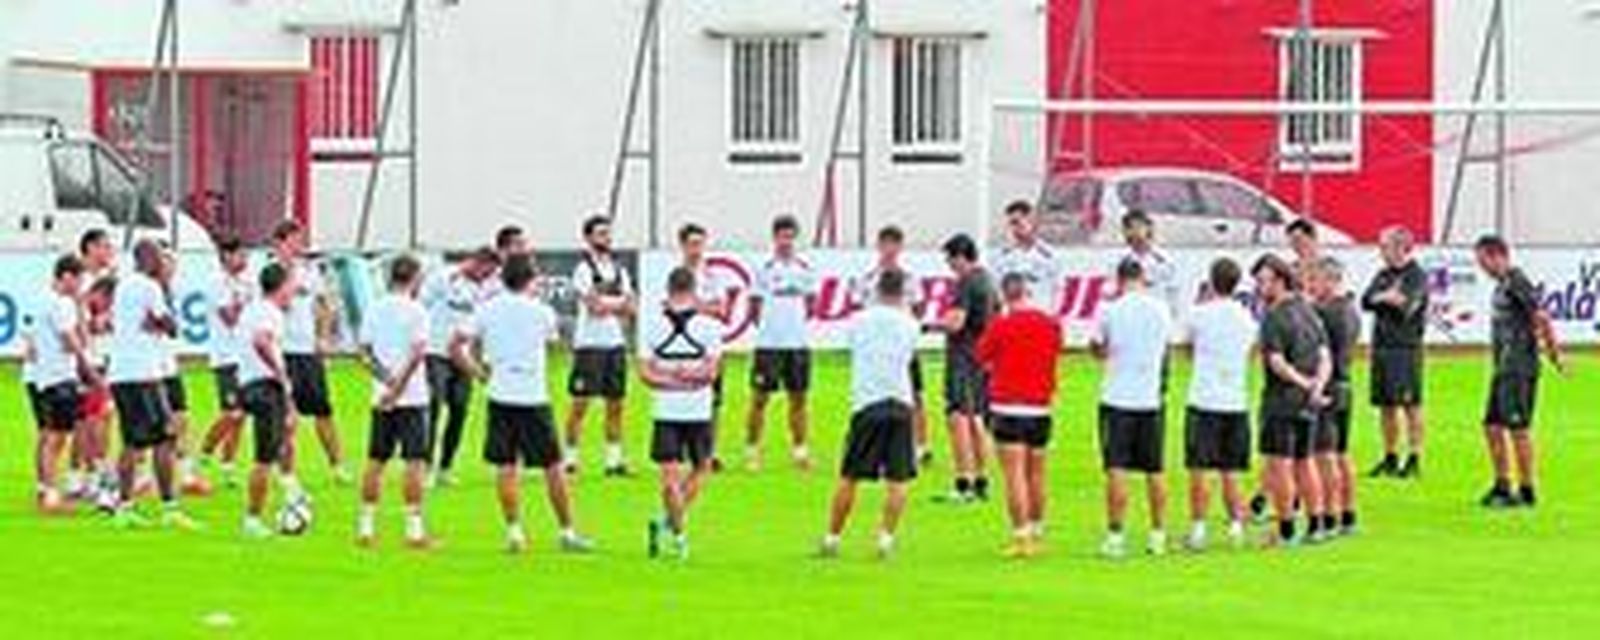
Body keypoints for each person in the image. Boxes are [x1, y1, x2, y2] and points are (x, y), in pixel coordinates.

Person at [451, 254, 593, 554]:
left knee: (506, 466)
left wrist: (478, 371)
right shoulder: (542, 312)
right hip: (532, 396)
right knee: (552, 467)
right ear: (531, 280)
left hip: (500, 394)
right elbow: (555, 347)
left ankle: (514, 532)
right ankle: (567, 532)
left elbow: (456, 344)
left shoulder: (487, 309)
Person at [819, 269, 922, 561]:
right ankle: (885, 539)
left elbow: (851, 349)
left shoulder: (858, 321)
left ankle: (832, 538)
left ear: (876, 290)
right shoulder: (910, 324)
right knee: (898, 478)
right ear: (903, 292)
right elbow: (910, 356)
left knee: (850, 475)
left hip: (867, 402)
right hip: (900, 402)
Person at [105, 240, 196, 529]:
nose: (163, 262)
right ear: (147, 259)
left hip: (122, 372)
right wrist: (161, 324)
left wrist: (155, 324)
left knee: (132, 442)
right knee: (166, 437)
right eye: (158, 256)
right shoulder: (149, 286)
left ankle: (125, 507)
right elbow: (171, 325)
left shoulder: (125, 285)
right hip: (143, 372)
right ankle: (169, 508)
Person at [640, 267, 725, 560]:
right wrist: (689, 378)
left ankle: (672, 528)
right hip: (698, 410)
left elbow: (645, 373)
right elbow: (710, 373)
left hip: (664, 410)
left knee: (669, 479)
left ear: (668, 289)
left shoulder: (650, 325)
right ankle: (674, 530)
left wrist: (669, 378)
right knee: (701, 468)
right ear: (694, 290)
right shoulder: (710, 327)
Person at [1474, 235, 1565, 509]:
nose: (1481, 268)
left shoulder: (1517, 282)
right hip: (1502, 367)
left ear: (1496, 256)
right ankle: (1502, 484)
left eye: (1483, 261)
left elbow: (1542, 316)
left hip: (1519, 367)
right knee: (1491, 426)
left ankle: (1526, 490)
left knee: (1518, 428)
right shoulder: (1502, 285)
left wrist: (1554, 355)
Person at [975, 272, 1061, 558]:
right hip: (1040, 407)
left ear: (1004, 295)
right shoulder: (1050, 325)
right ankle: (1037, 530)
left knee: (1014, 475)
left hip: (1008, 407)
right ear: (1028, 292)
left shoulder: (1001, 325)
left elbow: (980, 356)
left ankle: (1021, 535)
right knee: (1037, 472)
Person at [1092, 258, 1173, 558]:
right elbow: (1166, 348)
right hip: (1149, 398)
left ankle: (1116, 535)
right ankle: (1158, 534)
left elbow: (1098, 348)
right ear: (1143, 277)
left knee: (1117, 468)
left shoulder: (1109, 309)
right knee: (1155, 469)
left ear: (1119, 279)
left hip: (1117, 398)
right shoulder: (1161, 309)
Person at [356, 255, 434, 549]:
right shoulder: (417, 311)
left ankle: (366, 526)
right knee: (414, 461)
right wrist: (399, 386)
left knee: (376, 460)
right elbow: (417, 354)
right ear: (414, 278)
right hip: (411, 397)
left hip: (381, 396)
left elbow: (363, 353)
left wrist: (385, 380)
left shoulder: (374, 308)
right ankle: (414, 530)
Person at [1253, 254, 1331, 546]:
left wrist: (1303, 382)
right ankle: (1316, 525)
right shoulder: (1309, 311)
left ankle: (1285, 530)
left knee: (1280, 465)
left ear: (1280, 280)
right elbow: (1325, 356)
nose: (1260, 287)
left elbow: (1276, 362)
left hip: (1280, 401)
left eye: (1264, 281)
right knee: (1305, 462)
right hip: (1307, 402)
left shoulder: (1273, 317)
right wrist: (1316, 387)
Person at [1181, 258, 1255, 551]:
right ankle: (1236, 528)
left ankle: (1199, 530)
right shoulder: (1247, 318)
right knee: (1231, 469)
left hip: (1204, 398)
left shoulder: (1199, 314)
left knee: (1200, 468)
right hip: (1235, 399)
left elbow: (1186, 349)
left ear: (1211, 281)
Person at [268, 220, 350, 484]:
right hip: (281, 351)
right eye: (293, 241)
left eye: (300, 241)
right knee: (286, 416)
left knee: (323, 411)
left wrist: (323, 337)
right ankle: (286, 472)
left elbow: (324, 304)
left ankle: (338, 466)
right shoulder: (268, 272)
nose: (298, 246)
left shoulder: (308, 272)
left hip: (307, 352)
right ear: (279, 243)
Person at [851, 225, 933, 464]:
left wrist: (907, 332)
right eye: (885, 243)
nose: (890, 249)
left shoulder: (910, 279)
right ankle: (875, 444)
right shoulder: (866, 279)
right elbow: (858, 309)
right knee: (873, 393)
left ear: (900, 247)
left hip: (902, 345)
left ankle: (921, 444)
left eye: (894, 244)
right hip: (875, 347)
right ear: (878, 246)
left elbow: (919, 308)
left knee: (915, 394)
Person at [564, 215, 637, 477]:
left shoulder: (620, 269)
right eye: (600, 234)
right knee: (580, 403)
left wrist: (611, 303)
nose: (605, 238)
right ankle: (570, 459)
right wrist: (616, 303)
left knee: (615, 404)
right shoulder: (583, 270)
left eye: (608, 233)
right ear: (588, 238)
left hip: (614, 344)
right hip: (589, 345)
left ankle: (613, 460)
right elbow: (593, 307)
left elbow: (631, 307)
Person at [745, 215, 819, 472]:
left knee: (798, 399)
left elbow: (811, 305)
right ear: (774, 237)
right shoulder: (762, 268)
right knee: (759, 399)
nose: (786, 241)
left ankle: (800, 451)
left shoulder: (805, 269)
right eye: (781, 236)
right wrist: (770, 329)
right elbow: (754, 307)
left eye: (790, 236)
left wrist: (793, 328)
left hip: (798, 345)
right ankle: (752, 451)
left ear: (795, 238)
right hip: (769, 345)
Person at [421, 246, 498, 487]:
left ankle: (445, 467)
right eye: (487, 271)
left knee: (460, 410)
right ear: (476, 262)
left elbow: (478, 327)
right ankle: (426, 467)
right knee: (433, 409)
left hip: (463, 358)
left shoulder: (484, 288)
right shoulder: (443, 278)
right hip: (435, 353)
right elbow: (420, 307)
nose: (488, 277)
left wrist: (480, 358)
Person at [235, 263, 302, 539]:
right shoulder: (271, 313)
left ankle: (291, 492)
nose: (294, 290)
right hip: (265, 386)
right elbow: (261, 341)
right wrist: (279, 373)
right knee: (263, 458)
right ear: (281, 285)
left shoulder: (253, 308)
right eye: (292, 285)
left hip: (248, 383)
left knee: (285, 437)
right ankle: (252, 520)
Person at [29, 255, 97, 513]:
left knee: (51, 436)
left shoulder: (41, 300)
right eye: (78, 279)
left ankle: (46, 490)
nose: (80, 286)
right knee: (57, 438)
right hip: (60, 376)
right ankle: (51, 496)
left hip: (45, 376)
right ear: (67, 276)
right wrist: (88, 367)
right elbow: (70, 339)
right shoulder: (60, 304)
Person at [1361, 226, 1429, 479]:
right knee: (1385, 405)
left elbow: (1407, 307)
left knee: (1411, 404)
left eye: (1386, 246)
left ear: (1403, 247)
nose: (1381, 251)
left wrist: (1385, 299)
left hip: (1405, 348)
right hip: (1382, 346)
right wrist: (1385, 297)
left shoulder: (1416, 276)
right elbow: (1366, 300)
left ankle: (1414, 457)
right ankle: (1390, 456)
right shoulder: (1383, 274)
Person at [934, 233, 997, 503]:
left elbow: (956, 322)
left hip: (963, 356)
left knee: (957, 416)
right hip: (983, 357)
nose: (948, 264)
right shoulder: (987, 280)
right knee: (978, 419)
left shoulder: (966, 282)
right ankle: (981, 480)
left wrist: (931, 325)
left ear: (960, 256)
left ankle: (963, 482)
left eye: (949, 258)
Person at [1304, 257, 1361, 536]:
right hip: (1345, 385)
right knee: (1341, 454)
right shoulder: (1349, 309)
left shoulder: (1327, 313)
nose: (1310, 286)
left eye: (1315, 280)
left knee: (1323, 456)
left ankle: (1328, 515)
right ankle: (1348, 514)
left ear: (1330, 280)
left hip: (1327, 388)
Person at [677, 223, 737, 470]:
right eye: (692, 243)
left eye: (700, 243)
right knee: (681, 396)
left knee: (712, 400)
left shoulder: (713, 276)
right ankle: (680, 451)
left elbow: (722, 310)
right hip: (681, 345)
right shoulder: (676, 275)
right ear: (682, 245)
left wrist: (694, 305)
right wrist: (703, 306)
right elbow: (672, 307)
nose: (697, 249)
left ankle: (708, 452)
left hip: (711, 345)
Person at [197, 236, 254, 489]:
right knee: (231, 413)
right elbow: (230, 317)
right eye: (240, 254)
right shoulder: (215, 283)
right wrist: (244, 304)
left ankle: (228, 465)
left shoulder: (246, 282)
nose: (245, 259)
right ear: (226, 256)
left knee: (241, 416)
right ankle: (204, 455)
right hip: (225, 356)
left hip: (245, 356)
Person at [153, 249, 209, 496]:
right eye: (166, 263)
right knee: (158, 427)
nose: (171, 269)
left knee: (181, 419)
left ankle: (186, 475)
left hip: (169, 365)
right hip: (154, 368)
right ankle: (145, 478)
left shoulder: (168, 292)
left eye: (172, 264)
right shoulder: (149, 292)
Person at [72, 229, 117, 505]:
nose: (108, 251)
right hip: (89, 358)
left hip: (107, 356)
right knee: (89, 418)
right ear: (89, 248)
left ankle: (89, 474)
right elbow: (76, 322)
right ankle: (88, 475)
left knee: (102, 416)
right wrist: (95, 323)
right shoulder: (80, 281)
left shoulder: (109, 279)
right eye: (103, 246)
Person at [990, 199, 1063, 313]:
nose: (1015, 228)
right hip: (1013, 318)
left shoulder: (1049, 256)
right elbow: (996, 290)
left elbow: (1058, 290)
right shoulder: (1001, 257)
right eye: (1011, 224)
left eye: (1018, 222)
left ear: (1031, 221)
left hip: (1041, 317)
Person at [1117, 210, 1180, 311]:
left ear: (1148, 228)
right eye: (1131, 227)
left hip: (1156, 314)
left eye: (1139, 227)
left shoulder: (1164, 259)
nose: (1136, 232)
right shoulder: (1120, 260)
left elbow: (1172, 290)